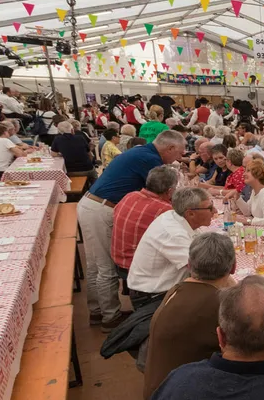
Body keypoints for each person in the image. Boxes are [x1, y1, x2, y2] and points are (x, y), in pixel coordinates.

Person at [79, 131, 187, 332]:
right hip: (102, 208)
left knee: (95, 265)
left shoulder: (142, 152)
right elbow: (166, 191)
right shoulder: (151, 159)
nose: (178, 158)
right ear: (170, 148)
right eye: (179, 153)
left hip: (93, 204)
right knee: (104, 268)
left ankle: (97, 311)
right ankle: (110, 318)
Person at [143, 232, 237, 400]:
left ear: (189, 265)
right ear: (233, 268)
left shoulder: (176, 289)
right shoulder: (219, 304)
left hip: (159, 394)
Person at [127, 187, 216, 305]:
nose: (215, 211)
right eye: (210, 208)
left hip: (161, 289)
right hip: (152, 296)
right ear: (190, 213)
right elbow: (204, 270)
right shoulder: (173, 234)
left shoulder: (176, 216)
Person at [111, 166, 179, 279]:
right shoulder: (165, 210)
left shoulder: (130, 196)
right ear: (170, 191)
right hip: (138, 268)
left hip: (119, 261)